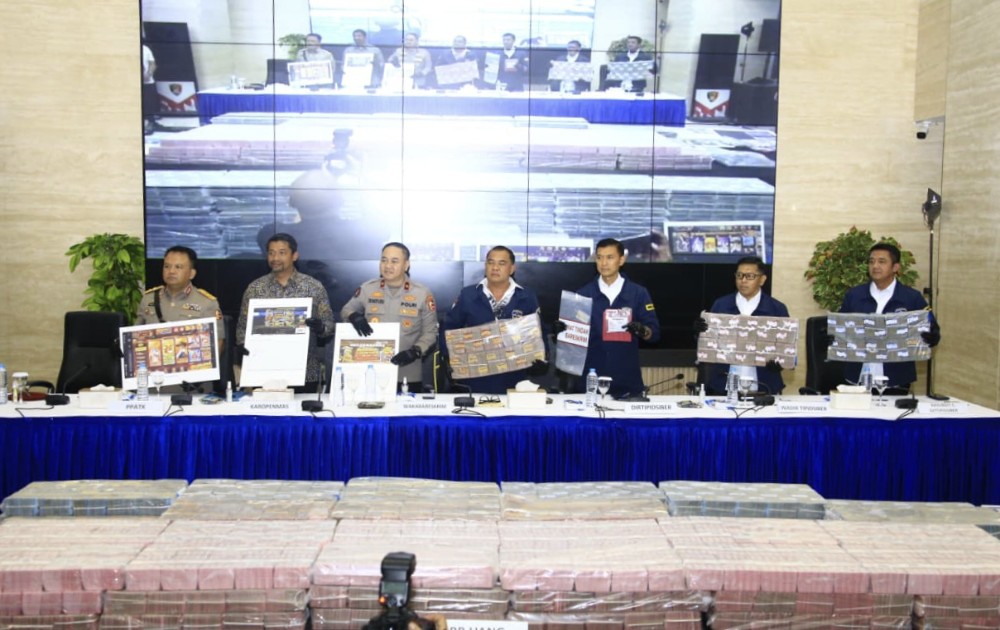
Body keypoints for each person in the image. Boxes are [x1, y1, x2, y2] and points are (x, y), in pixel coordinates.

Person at [441, 246, 548, 394]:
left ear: (512, 269)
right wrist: (448, 357)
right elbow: (449, 327)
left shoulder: (526, 296)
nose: (495, 268)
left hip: (514, 378)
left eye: (502, 263)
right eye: (491, 262)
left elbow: (539, 331)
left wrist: (543, 357)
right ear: (485, 266)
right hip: (475, 378)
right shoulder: (468, 295)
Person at [236, 233, 336, 392]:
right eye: (271, 253)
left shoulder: (313, 287)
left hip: (304, 372)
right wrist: (243, 345)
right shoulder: (255, 289)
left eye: (282, 253)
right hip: (264, 371)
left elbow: (329, 325)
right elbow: (242, 327)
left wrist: (320, 327)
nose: (275, 258)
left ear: (294, 255)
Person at [839, 242, 940, 391]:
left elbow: (933, 332)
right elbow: (840, 330)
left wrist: (926, 335)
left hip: (896, 380)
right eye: (871, 261)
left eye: (882, 261)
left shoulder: (912, 298)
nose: (875, 266)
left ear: (895, 267)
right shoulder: (854, 295)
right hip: (856, 378)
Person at [340, 242, 439, 392]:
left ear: (406, 265)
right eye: (384, 260)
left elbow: (430, 333)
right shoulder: (368, 289)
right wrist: (353, 316)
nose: (388, 266)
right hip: (370, 370)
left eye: (394, 261)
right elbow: (346, 310)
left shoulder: (422, 293)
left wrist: (416, 351)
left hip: (407, 372)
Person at [576, 238, 660, 399]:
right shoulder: (583, 294)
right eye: (599, 257)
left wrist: (642, 330)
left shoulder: (638, 293)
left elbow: (654, 333)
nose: (603, 263)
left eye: (610, 257)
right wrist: (563, 331)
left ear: (621, 260)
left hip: (627, 379)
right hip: (591, 379)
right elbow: (573, 339)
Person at [699, 256, 788, 395]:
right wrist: (701, 333)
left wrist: (780, 363)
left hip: (764, 385)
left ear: (762, 279)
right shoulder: (721, 305)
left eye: (750, 276)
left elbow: (787, 348)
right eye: (739, 275)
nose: (743, 280)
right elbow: (709, 345)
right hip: (725, 384)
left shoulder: (776, 309)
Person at [137, 246, 224, 335]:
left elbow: (217, 340)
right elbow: (135, 335)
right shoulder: (148, 299)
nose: (171, 271)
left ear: (192, 274)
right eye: (167, 266)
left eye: (178, 267)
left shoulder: (207, 303)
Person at [141, 43, 158, 135]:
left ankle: (150, 123)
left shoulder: (145, 49)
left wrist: (149, 73)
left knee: (149, 104)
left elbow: (152, 64)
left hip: (147, 82)